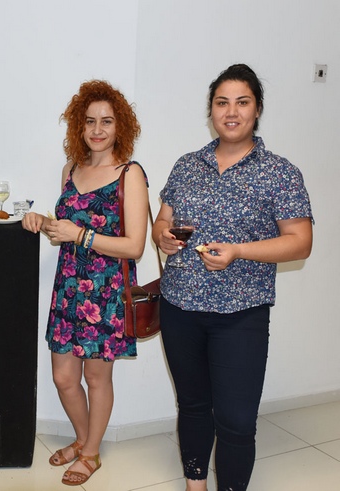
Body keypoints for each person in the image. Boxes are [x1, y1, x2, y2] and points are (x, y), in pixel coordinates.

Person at [152, 64, 313, 491]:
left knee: (237, 419)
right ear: (211, 110)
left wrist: (239, 251)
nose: (231, 111)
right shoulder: (187, 165)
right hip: (180, 306)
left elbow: (300, 242)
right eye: (222, 102)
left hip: (241, 313)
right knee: (193, 405)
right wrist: (163, 237)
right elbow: (163, 221)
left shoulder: (280, 172)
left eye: (242, 102)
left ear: (257, 110)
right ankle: (195, 484)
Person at [22, 80, 149, 486]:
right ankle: (82, 439)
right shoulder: (70, 170)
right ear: (79, 125)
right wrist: (44, 223)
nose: (97, 129)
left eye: (106, 121)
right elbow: (66, 228)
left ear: (120, 126)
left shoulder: (130, 173)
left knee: (96, 378)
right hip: (68, 288)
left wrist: (80, 235)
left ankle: (91, 453)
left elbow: (134, 246)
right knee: (63, 377)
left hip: (106, 292)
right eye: (90, 121)